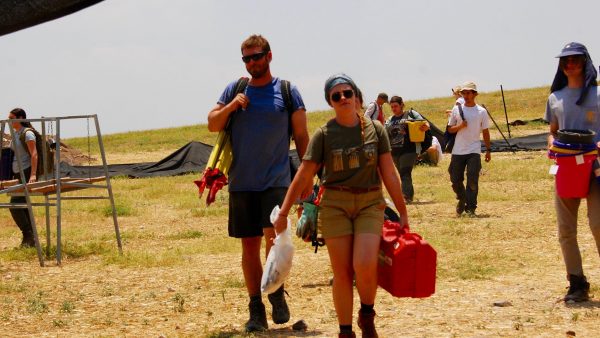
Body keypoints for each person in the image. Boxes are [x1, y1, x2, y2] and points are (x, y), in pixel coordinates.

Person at [273, 74, 409, 338]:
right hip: (335, 205)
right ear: (330, 102)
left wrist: (403, 211)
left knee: (365, 263)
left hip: (370, 202)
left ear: (357, 96)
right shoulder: (324, 135)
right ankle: (345, 332)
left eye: (347, 93)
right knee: (343, 272)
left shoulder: (375, 129)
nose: (343, 99)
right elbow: (304, 174)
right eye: (336, 96)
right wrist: (284, 211)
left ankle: (367, 315)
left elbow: (389, 173)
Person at [207, 34, 310, 332]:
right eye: (247, 58)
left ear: (269, 56)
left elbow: (302, 136)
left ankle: (275, 291)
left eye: (257, 56)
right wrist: (231, 107)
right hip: (242, 183)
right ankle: (256, 309)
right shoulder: (235, 89)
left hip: (276, 180)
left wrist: (307, 176)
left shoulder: (288, 92)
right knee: (249, 247)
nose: (252, 62)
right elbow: (213, 123)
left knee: (273, 239)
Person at [544, 42, 600, 302]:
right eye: (565, 61)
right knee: (566, 230)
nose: (570, 65)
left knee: (598, 224)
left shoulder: (598, 95)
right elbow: (552, 130)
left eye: (575, 60)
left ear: (585, 62)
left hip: (596, 167)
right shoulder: (555, 97)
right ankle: (577, 282)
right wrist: (551, 145)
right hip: (566, 168)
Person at [447, 81, 491, 216]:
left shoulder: (481, 112)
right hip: (458, 150)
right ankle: (462, 198)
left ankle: (471, 208)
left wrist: (488, 150)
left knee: (472, 179)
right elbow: (450, 129)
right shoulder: (456, 110)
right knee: (455, 180)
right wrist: (460, 126)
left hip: (474, 150)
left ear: (474, 94)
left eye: (468, 93)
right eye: (463, 93)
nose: (465, 95)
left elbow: (485, 131)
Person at [384, 96, 430, 203]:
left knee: (405, 172)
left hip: (409, 150)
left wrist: (425, 126)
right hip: (395, 152)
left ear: (401, 105)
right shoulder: (390, 120)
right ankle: (408, 195)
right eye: (392, 107)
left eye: (396, 106)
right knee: (403, 174)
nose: (394, 108)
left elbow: (425, 123)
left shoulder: (410, 114)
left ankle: (406, 197)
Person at [8, 108, 38, 247]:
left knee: (14, 205)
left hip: (26, 171)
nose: (9, 120)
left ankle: (28, 234)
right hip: (17, 172)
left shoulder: (28, 133)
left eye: (12, 117)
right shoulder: (15, 134)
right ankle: (31, 239)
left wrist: (33, 174)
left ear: (20, 118)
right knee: (23, 205)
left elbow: (34, 154)